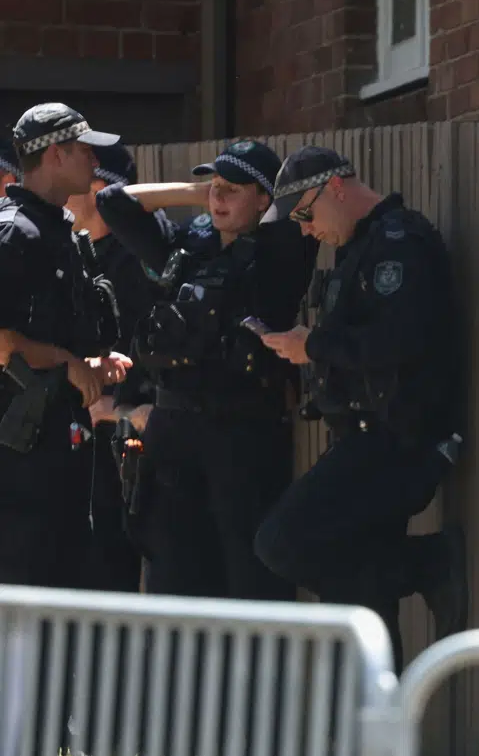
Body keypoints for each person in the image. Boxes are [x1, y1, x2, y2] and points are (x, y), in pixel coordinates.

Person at [259, 146, 469, 670]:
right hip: (365, 435)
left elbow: (397, 343)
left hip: (399, 441)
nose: (305, 231)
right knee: (361, 607)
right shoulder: (358, 248)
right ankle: (380, 739)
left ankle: (428, 563)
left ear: (334, 187)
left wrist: (314, 347)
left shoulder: (399, 243)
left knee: (281, 542)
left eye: (304, 215)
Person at [96, 139, 314, 601]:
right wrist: (199, 193)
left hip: (245, 431)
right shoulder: (184, 247)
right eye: (215, 186)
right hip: (175, 431)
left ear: (264, 200)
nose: (218, 198)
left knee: (251, 577)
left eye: (233, 189)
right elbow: (111, 202)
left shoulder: (281, 250)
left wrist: (257, 199)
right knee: (175, 573)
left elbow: (296, 209)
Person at [0, 103, 129, 588]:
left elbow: (52, 333)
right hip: (17, 464)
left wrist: (92, 362)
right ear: (55, 154)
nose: (95, 162)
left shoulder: (60, 230)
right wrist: (68, 362)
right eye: (85, 151)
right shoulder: (14, 233)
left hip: (62, 453)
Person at [72, 143, 164, 592]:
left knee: (112, 564)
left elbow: (152, 343)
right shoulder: (76, 252)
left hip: (125, 433)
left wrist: (121, 403)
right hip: (80, 435)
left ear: (103, 190)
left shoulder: (136, 261)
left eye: (80, 181)